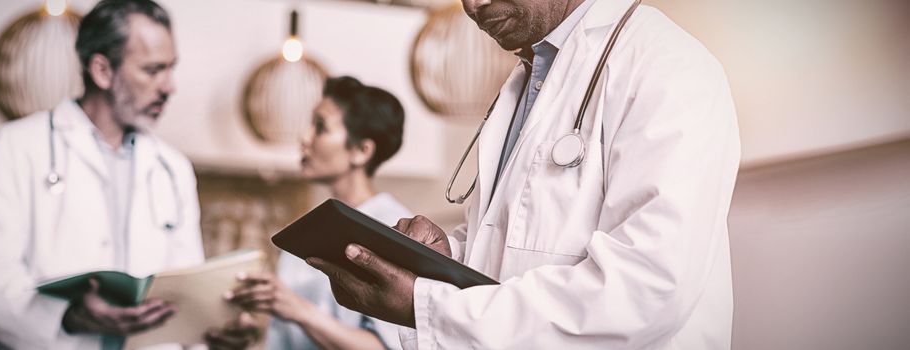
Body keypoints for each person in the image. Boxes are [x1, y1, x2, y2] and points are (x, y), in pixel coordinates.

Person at [307, 0, 741, 349]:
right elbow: (518, 247)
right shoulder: (529, 79)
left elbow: (646, 290)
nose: (473, 6)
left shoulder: (668, 65)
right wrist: (446, 259)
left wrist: (426, 303)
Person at [0, 1, 207, 348]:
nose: (170, 86)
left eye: (171, 68)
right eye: (153, 70)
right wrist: (68, 316)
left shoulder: (173, 168)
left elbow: (186, 286)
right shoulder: (12, 147)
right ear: (102, 70)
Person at [212, 76, 409, 350]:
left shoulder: (395, 228)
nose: (304, 138)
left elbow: (386, 347)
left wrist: (298, 309)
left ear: (361, 151)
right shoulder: (312, 225)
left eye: (320, 127)